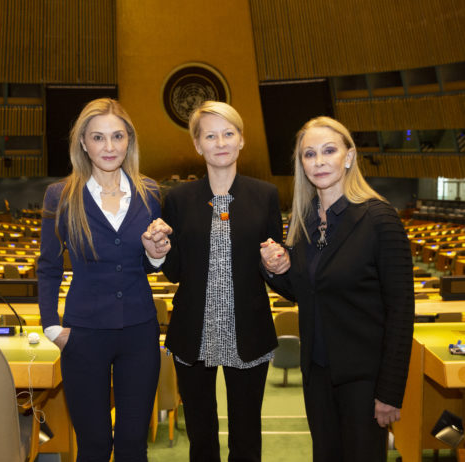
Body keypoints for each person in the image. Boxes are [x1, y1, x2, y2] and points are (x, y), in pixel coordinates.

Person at [260, 116, 414, 462]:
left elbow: (402, 311)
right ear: (301, 164)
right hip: (317, 374)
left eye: (328, 151)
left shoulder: (379, 219)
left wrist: (390, 391)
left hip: (364, 379)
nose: (319, 161)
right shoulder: (304, 220)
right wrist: (273, 268)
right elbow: (308, 291)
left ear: (348, 156)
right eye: (309, 154)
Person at [37, 98, 172, 462]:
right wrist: (52, 326)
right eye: (98, 138)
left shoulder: (149, 192)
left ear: (129, 140)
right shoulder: (60, 195)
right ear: (83, 142)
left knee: (132, 446)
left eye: (117, 136)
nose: (109, 147)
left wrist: (155, 252)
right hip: (83, 334)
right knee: (94, 446)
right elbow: (48, 266)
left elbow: (150, 266)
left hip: (139, 332)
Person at [162, 100, 283, 462]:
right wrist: (158, 249)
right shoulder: (178, 199)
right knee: (201, 435)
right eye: (210, 135)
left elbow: (273, 262)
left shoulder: (266, 195)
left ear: (241, 140)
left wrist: (277, 263)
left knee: (246, 436)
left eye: (228, 133)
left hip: (248, 328)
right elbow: (173, 270)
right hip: (193, 330)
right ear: (198, 144)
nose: (220, 142)